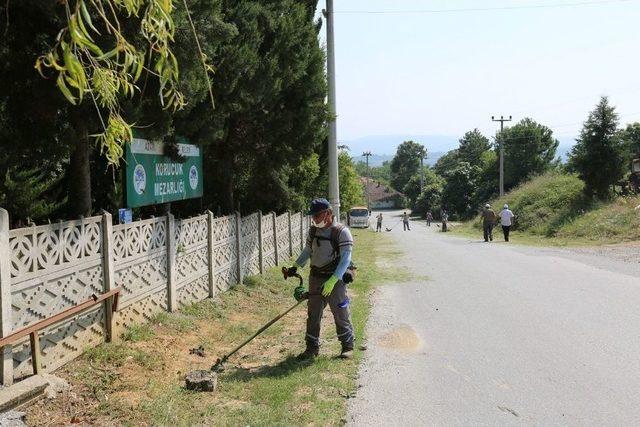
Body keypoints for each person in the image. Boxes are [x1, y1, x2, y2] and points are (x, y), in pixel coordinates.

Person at [285, 198, 355, 360]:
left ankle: (347, 346)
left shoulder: (341, 232)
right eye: (313, 216)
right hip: (315, 277)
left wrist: (333, 281)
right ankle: (311, 349)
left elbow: (345, 259)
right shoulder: (313, 231)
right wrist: (295, 266)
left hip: (335, 279)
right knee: (313, 314)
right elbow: (308, 251)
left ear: (329, 213)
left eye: (317, 215)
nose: (314, 219)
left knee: (340, 311)